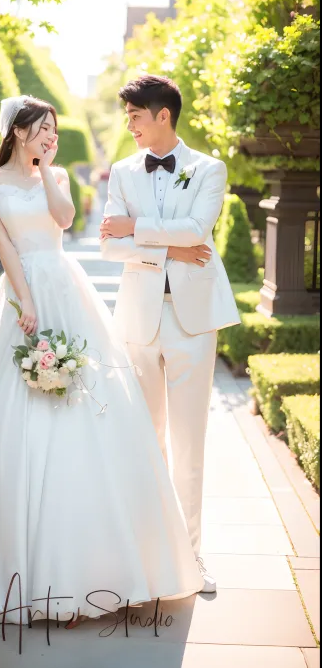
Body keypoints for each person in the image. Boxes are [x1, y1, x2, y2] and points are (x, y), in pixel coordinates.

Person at [0, 94, 206, 627]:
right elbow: (4, 247)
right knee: (16, 409)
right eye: (42, 128)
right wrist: (25, 303)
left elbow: (66, 221)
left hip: (67, 288)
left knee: (90, 402)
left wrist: (47, 170)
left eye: (52, 128)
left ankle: (107, 564)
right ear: (18, 130)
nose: (50, 135)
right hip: (21, 292)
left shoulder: (59, 174)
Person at [100, 75, 241, 592]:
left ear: (163, 115)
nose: (130, 125)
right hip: (138, 319)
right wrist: (168, 248)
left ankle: (193, 556)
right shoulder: (120, 171)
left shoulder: (209, 169)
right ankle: (144, 554)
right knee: (144, 438)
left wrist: (139, 232)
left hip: (192, 321)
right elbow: (108, 247)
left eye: (136, 116)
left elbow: (195, 233)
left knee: (189, 443)